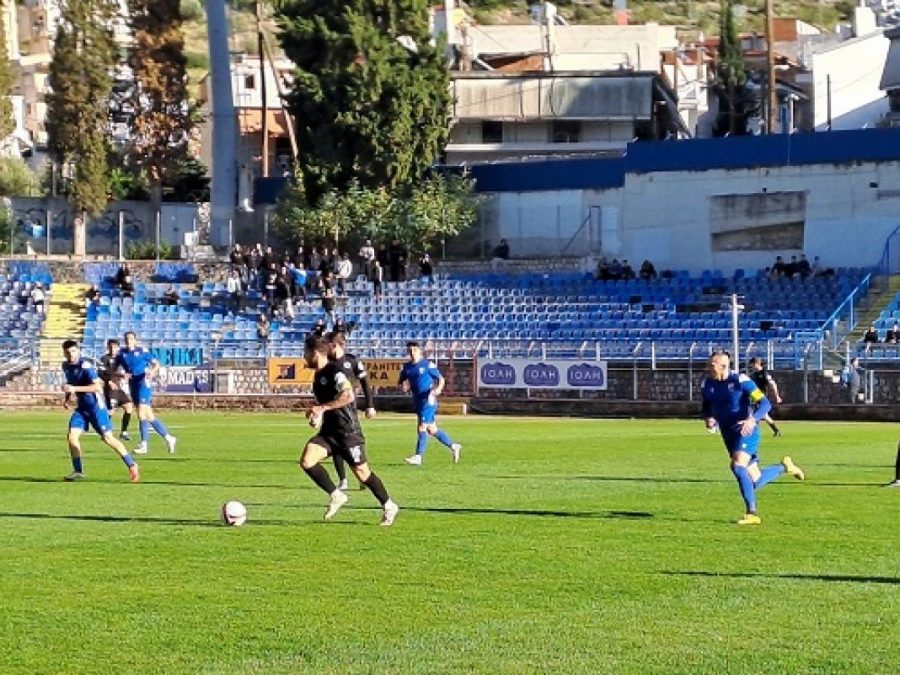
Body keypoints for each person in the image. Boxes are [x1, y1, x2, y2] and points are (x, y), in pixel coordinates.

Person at [298, 334, 399, 526]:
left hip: (347, 432)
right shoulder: (318, 376)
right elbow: (326, 404)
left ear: (314, 353)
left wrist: (322, 408)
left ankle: (389, 505)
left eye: (305, 353)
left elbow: (348, 395)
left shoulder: (334, 371)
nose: (304, 357)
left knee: (362, 473)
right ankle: (336, 495)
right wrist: (317, 416)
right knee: (307, 461)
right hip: (329, 432)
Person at [701, 352, 804, 525]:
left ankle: (752, 513)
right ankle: (785, 467)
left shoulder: (740, 380)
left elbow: (765, 403)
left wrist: (752, 420)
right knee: (754, 481)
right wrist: (708, 418)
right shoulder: (707, 383)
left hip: (746, 430)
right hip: (728, 433)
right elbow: (706, 405)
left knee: (737, 465)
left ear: (724, 366)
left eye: (712, 366)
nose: (708, 368)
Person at [60, 339, 140, 482]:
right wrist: (67, 398)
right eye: (68, 352)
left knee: (108, 439)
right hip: (82, 408)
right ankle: (78, 471)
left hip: (96, 407)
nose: (71, 354)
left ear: (78, 351)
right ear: (64, 353)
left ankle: (132, 464)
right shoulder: (65, 366)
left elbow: (97, 387)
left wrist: (74, 389)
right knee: (72, 437)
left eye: (73, 351)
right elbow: (71, 383)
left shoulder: (86, 366)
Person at [113, 331, 177, 455]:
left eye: (131, 338)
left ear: (135, 340)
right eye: (126, 339)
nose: (128, 341)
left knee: (141, 414)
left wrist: (152, 371)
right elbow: (113, 371)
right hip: (133, 385)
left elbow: (156, 364)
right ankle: (169, 438)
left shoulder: (142, 351)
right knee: (149, 416)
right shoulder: (121, 354)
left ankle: (144, 444)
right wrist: (121, 375)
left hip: (143, 384)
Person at [398, 341, 462, 466]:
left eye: (414, 350)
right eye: (410, 351)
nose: (412, 353)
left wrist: (438, 389)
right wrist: (404, 387)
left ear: (419, 351)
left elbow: (441, 378)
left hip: (428, 399)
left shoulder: (427, 365)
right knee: (432, 429)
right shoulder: (406, 367)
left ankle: (418, 456)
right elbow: (402, 382)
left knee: (422, 427)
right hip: (418, 400)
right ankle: (454, 446)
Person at [327, 331, 376, 491]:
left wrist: (370, 405)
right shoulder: (327, 363)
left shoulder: (352, 361)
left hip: (349, 411)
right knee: (335, 443)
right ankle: (343, 479)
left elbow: (365, 383)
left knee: (354, 444)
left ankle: (363, 476)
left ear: (335, 345)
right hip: (332, 408)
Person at [98, 338, 134, 440]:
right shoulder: (104, 359)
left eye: (115, 347)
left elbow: (127, 369)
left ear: (118, 348)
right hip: (110, 388)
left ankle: (124, 432)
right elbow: (101, 373)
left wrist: (127, 375)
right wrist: (109, 381)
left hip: (119, 388)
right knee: (111, 410)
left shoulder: (121, 358)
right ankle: (104, 430)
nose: (112, 349)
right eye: (110, 347)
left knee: (129, 407)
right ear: (108, 347)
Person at [747, 357, 782, 437]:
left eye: (752, 365)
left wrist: (777, 396)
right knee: (764, 415)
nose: (751, 367)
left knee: (756, 414)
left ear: (756, 364)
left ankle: (753, 432)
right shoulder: (754, 374)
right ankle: (776, 431)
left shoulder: (764, 374)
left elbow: (773, 384)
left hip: (760, 396)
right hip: (754, 396)